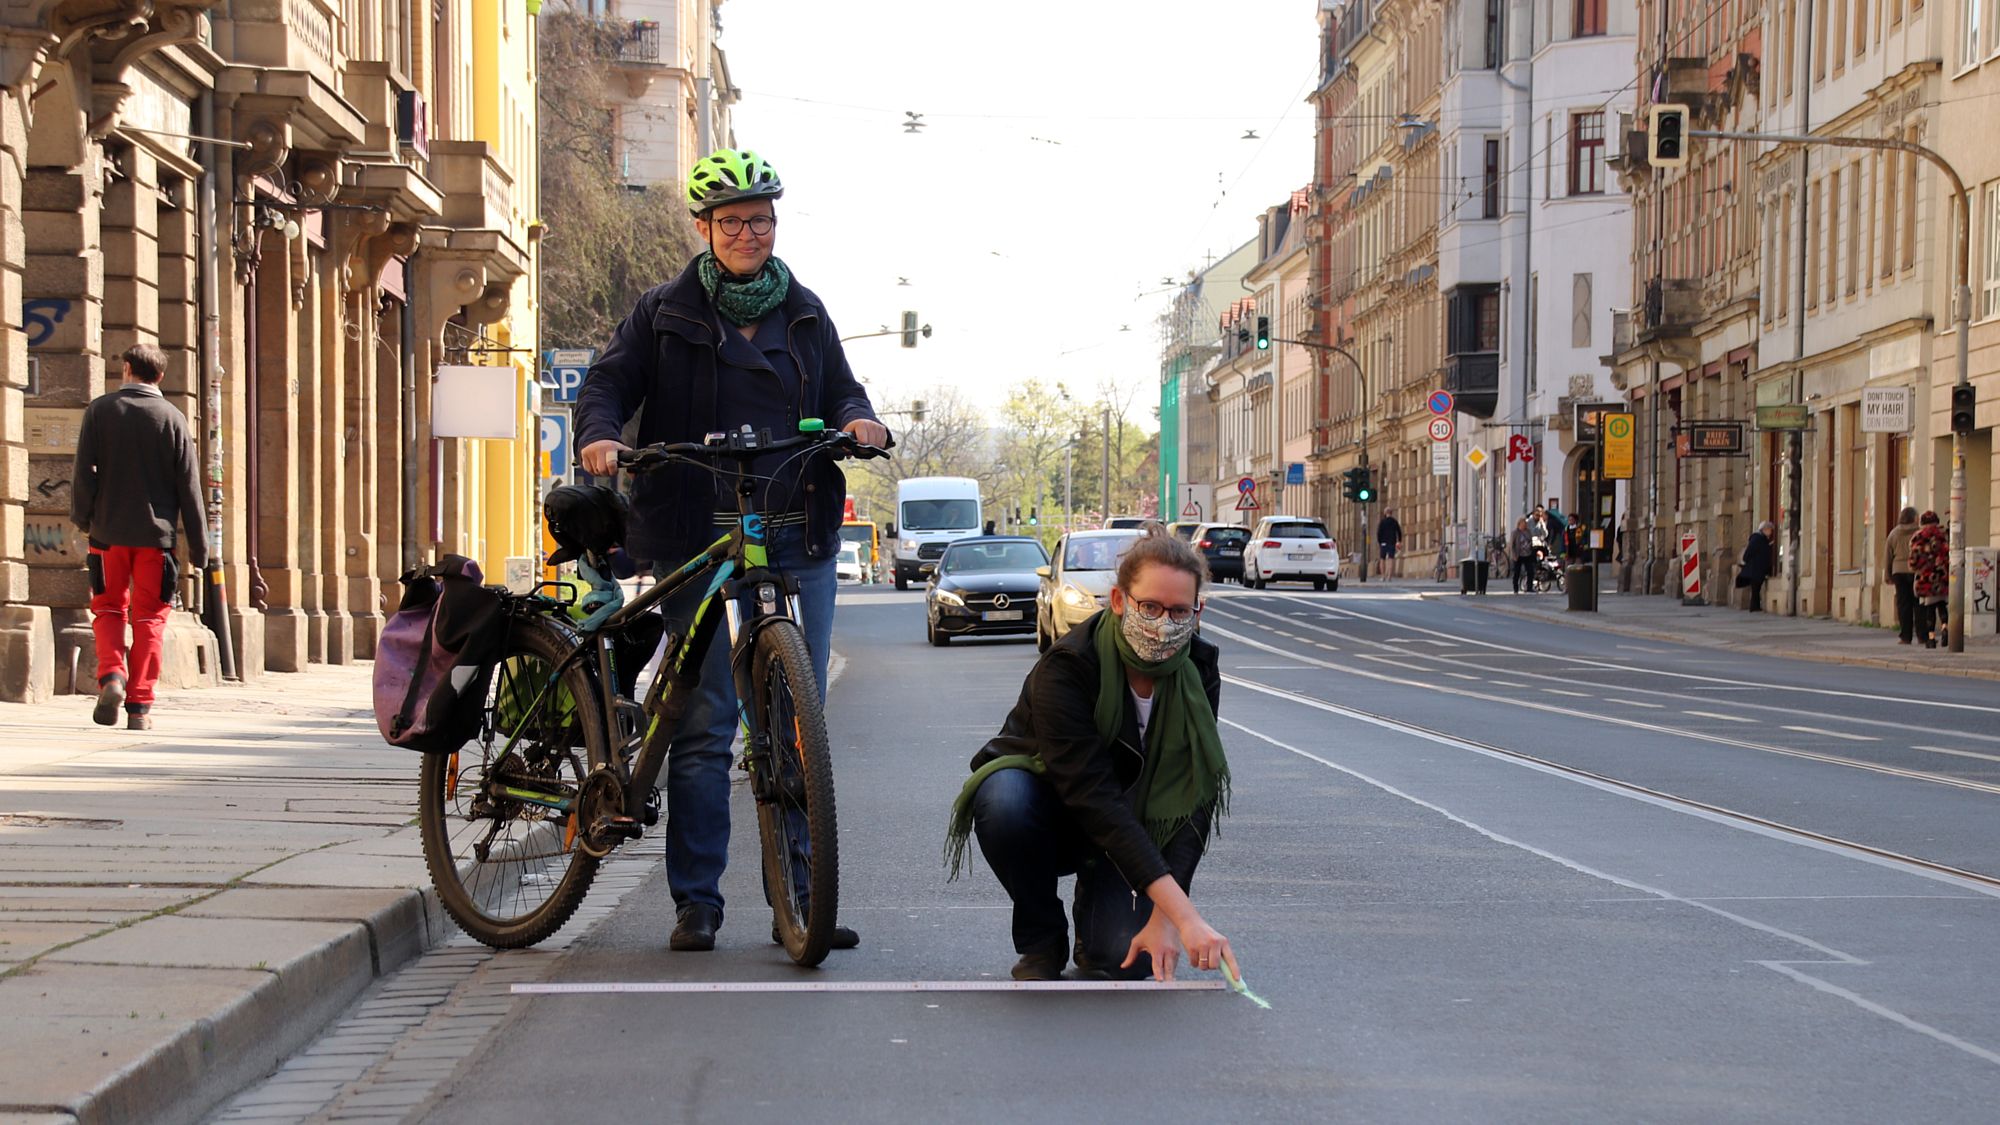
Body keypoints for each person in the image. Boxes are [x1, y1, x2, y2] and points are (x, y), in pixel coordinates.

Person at [575, 148, 890, 953]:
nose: (749, 233)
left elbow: (841, 391)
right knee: (708, 720)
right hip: (699, 528)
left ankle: (804, 891)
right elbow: (609, 383)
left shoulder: (805, 312)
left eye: (761, 219)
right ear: (704, 229)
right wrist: (602, 435)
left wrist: (860, 421)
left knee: (793, 721)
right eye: (732, 221)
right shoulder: (663, 312)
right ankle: (697, 902)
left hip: (796, 528)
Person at [947, 526, 1238, 983]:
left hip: (1127, 831)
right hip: (1057, 812)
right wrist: (1187, 918)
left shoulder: (1198, 669)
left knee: (1125, 960)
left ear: (1197, 612)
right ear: (1120, 601)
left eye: (1180, 610)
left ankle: (1096, 910)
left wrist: (1165, 919)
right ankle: (1041, 936)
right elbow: (1091, 793)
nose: (1165, 622)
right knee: (1003, 800)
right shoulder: (1068, 665)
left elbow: (1192, 801)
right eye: (1150, 607)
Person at [69, 344, 207, 731]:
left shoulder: (100, 410)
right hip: (157, 540)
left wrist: (84, 517)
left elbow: (84, 472)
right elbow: (189, 487)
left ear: (126, 368)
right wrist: (199, 546)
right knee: (150, 618)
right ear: (160, 376)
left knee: (109, 608)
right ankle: (140, 706)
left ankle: (112, 676)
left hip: (107, 536)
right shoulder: (173, 418)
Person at [1910, 511, 1949, 648]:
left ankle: (1931, 638)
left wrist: (1916, 568)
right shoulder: (1943, 535)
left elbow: (1914, 560)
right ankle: (1945, 627)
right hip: (1941, 575)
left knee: (1929, 608)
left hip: (1925, 577)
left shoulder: (1918, 537)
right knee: (1942, 605)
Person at [1885, 506, 1919, 645]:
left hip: (1898, 571)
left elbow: (1888, 556)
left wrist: (1888, 575)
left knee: (1903, 604)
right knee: (1918, 603)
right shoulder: (1918, 532)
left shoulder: (1894, 534)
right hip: (1916, 570)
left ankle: (1905, 636)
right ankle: (1922, 635)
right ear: (1914, 518)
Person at [1737, 520, 1777, 612]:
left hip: (1758, 568)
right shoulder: (1757, 539)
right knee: (1755, 588)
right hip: (1755, 568)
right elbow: (1749, 552)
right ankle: (1754, 607)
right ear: (1764, 529)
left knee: (1756, 588)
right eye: (1770, 530)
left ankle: (1755, 606)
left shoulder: (1762, 539)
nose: (1771, 532)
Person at [1510, 517, 1537, 594]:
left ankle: (1529, 587)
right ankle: (1515, 588)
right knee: (1517, 572)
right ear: (1519, 524)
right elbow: (1512, 545)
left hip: (1527, 554)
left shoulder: (1528, 532)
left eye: (1525, 524)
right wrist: (1514, 555)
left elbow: (1531, 541)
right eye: (1523, 523)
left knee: (1530, 571)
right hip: (1518, 555)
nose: (1525, 525)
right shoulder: (1515, 533)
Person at [1375, 509, 1402, 578]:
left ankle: (1383, 575)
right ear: (1391, 513)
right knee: (1391, 559)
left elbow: (1379, 533)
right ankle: (1389, 575)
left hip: (1383, 543)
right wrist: (1399, 541)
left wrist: (1380, 542)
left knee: (1382, 559)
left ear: (1385, 513)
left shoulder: (1382, 522)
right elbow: (1399, 532)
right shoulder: (1394, 521)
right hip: (1392, 542)